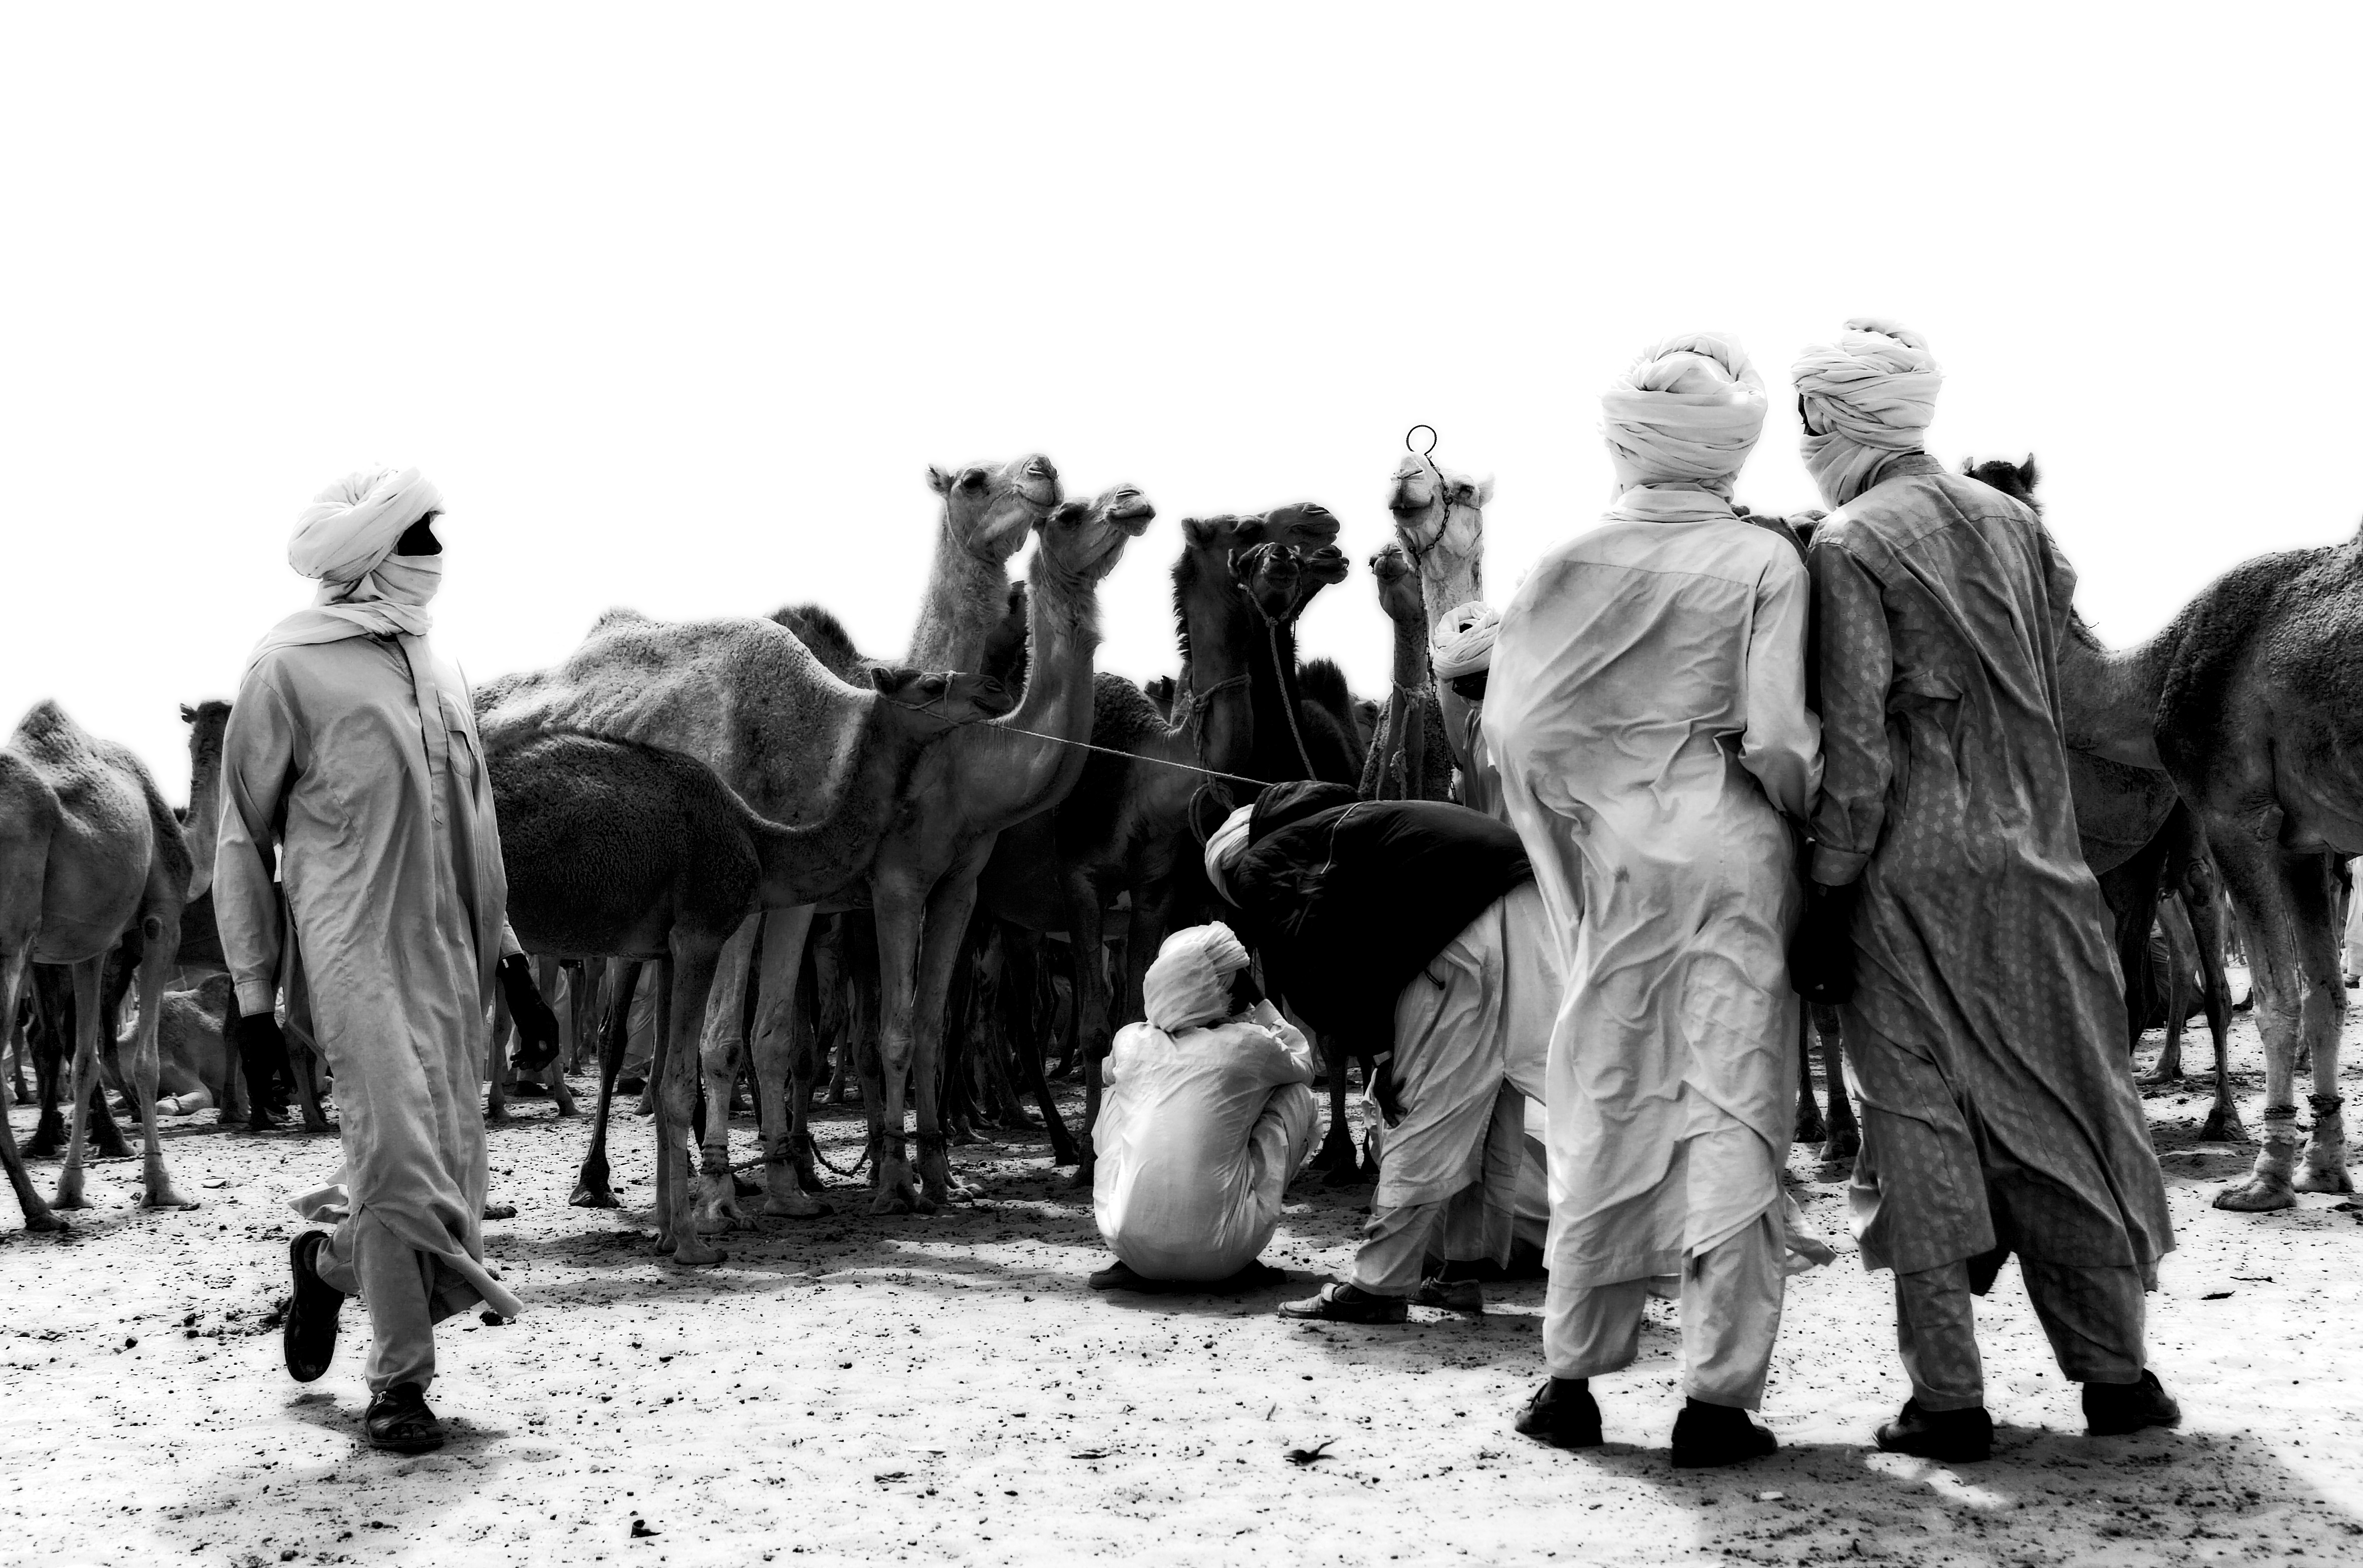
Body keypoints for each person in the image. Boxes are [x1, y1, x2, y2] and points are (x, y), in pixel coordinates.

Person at [1786, 320, 2179, 1463]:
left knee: (1918, 1119)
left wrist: (1826, 890)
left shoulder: (1850, 542)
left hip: (1915, 871)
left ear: (1831, 422)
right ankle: (2118, 1375)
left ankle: (1949, 1400)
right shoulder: (2017, 524)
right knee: (2063, 1108)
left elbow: (1856, 755)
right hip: (2047, 865)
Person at [1483, 332, 1822, 1468]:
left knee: (1608, 1096)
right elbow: (1776, 735)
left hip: (1619, 867)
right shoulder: (1766, 563)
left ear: (1627, 437)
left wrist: (1591, 808)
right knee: (1734, 1105)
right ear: (1728, 447)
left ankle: (1569, 1380)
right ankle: (1716, 1403)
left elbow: (1519, 732)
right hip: (1733, 854)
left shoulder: (1566, 558)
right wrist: (1799, 807)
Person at [216, 468, 553, 1454]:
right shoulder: (287, 665)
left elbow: (474, 821)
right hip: (351, 951)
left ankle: (324, 1265)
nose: (435, 552)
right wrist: (252, 997)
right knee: (401, 1167)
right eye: (418, 533)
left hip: (450, 959)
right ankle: (398, 1385)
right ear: (368, 554)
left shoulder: (439, 666)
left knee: (448, 1189)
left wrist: (513, 960)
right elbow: (243, 834)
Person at [1204, 782, 1553, 1322]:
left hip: (1461, 931)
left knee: (1419, 1105)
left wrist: (1385, 1055)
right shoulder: (1354, 826)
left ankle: (1379, 1286)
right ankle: (1459, 1272)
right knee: (1487, 1100)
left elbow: (1314, 973)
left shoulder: (1267, 862)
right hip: (1527, 906)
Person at [1088, 923, 1318, 1291]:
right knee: (1296, 1095)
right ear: (1230, 986)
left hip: (1131, 1246)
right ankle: (1243, 1246)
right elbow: (1305, 1067)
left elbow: (1110, 1072)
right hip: (1225, 1255)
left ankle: (1133, 1253)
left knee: (1116, 1094)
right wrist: (1259, 1003)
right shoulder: (1250, 1045)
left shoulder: (1131, 1040)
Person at [1431, 602, 1504, 820]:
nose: (1464, 700)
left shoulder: (1541, 716)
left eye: (1472, 688)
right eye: (1457, 688)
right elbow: (1475, 806)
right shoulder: (1474, 724)